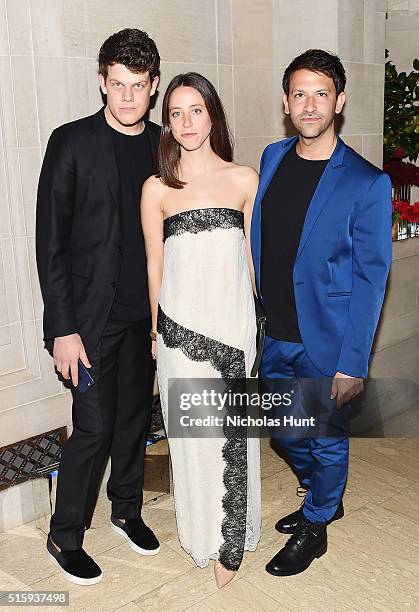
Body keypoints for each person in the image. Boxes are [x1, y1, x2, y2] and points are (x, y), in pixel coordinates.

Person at [250, 49, 392, 577]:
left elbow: (371, 278)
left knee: (325, 438)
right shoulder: (272, 157)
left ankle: (317, 522)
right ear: (287, 102)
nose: (310, 105)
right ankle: (323, 499)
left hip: (327, 340)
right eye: (300, 93)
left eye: (321, 93)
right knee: (286, 433)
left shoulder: (366, 182)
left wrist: (353, 362)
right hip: (276, 332)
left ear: (340, 101)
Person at [36, 28, 161, 585]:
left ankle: (127, 510)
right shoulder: (71, 141)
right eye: (117, 85)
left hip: (145, 319)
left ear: (153, 86)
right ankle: (64, 537)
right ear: (101, 82)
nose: (127, 97)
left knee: (134, 422)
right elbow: (51, 243)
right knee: (93, 427)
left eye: (138, 86)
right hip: (86, 323)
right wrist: (63, 328)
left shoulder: (163, 145)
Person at [141, 72, 261, 588]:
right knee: (193, 438)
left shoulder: (244, 180)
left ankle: (231, 540)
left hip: (233, 327)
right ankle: (204, 532)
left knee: (232, 433)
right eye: (175, 113)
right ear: (167, 123)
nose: (186, 122)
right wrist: (155, 334)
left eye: (195, 110)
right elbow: (154, 266)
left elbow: (253, 264)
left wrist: (260, 325)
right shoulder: (155, 189)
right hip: (179, 332)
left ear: (213, 114)